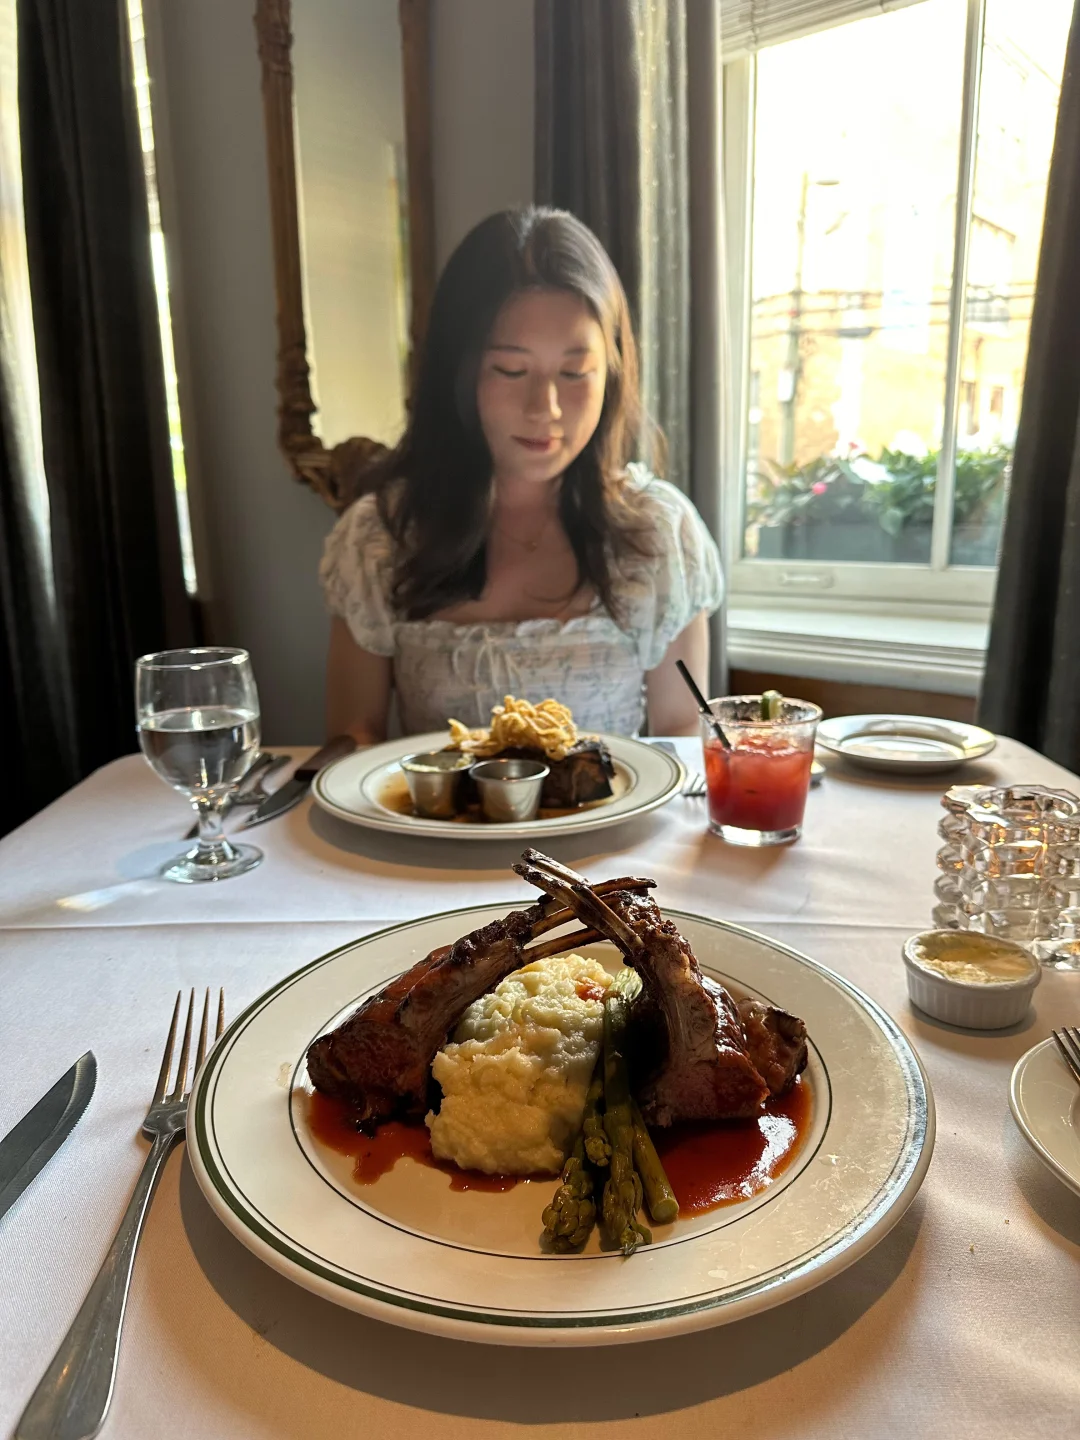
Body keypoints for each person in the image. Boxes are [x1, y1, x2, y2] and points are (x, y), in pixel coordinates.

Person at [322, 206, 723, 744]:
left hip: (613, 829)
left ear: (612, 372)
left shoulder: (660, 535)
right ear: (457, 372)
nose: (546, 408)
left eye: (575, 372)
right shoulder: (381, 536)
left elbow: (681, 740)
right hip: (439, 829)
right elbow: (355, 741)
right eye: (511, 370)